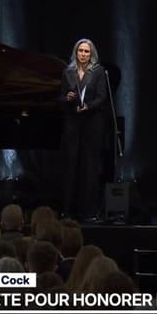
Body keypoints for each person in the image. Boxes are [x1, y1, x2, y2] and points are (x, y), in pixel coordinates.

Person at [60, 38, 107, 221]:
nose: (84, 54)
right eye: (81, 51)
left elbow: (102, 97)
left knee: (90, 166)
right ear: (76, 52)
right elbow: (61, 99)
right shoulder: (68, 72)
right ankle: (67, 209)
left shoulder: (98, 72)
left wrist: (89, 106)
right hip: (73, 122)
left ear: (91, 54)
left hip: (92, 122)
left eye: (87, 51)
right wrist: (68, 97)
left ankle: (89, 211)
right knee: (70, 165)